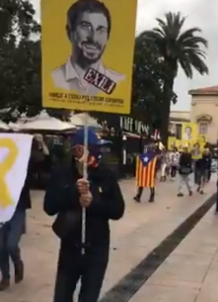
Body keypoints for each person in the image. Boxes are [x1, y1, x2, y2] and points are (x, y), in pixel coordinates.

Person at [44, 128, 125, 302]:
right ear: (77, 150)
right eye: (93, 148)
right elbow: (49, 206)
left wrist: (94, 202)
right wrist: (73, 193)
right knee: (62, 297)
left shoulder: (105, 174)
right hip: (70, 248)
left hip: (97, 249)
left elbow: (118, 210)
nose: (96, 154)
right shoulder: (63, 173)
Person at [0, 135, 50, 291]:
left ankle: (18, 263)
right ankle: (5, 278)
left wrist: (42, 144)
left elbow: (46, 163)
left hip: (18, 208)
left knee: (11, 244)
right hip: (1, 207)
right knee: (0, 246)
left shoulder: (23, 165)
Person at [52, 0, 125, 95]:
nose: (93, 38)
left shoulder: (119, 83)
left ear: (108, 37)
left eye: (101, 30)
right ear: (70, 32)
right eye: (85, 27)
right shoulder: (53, 79)